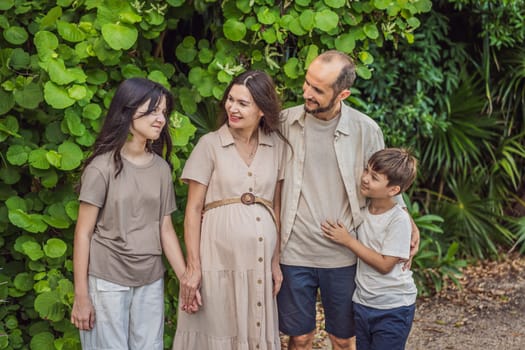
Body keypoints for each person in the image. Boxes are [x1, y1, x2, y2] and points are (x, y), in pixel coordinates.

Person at [277, 50, 420, 350]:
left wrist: (407, 219)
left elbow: (386, 181)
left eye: (318, 90)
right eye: (307, 83)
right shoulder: (283, 123)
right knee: (299, 337)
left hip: (343, 255)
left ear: (342, 93)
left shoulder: (365, 129)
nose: (307, 93)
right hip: (294, 250)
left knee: (343, 339)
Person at [70, 78, 195, 349]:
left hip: (150, 278)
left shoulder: (161, 169)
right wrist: (81, 296)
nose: (160, 119)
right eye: (152, 111)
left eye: (163, 112)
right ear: (127, 111)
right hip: (107, 279)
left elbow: (165, 229)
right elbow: (83, 233)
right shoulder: (101, 168)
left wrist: (187, 278)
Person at [173, 70, 287, 349]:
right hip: (216, 259)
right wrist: (193, 266)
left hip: (259, 261)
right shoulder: (209, 145)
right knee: (217, 325)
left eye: (243, 103)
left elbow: (276, 207)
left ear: (262, 109)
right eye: (230, 100)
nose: (232, 108)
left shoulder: (277, 147)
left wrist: (275, 260)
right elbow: (193, 209)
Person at [321, 148, 418, 350]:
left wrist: (348, 241)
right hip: (364, 303)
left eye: (374, 177)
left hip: (393, 306)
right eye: (366, 171)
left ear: (394, 191)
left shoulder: (398, 219)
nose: (365, 178)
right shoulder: (362, 211)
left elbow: (385, 265)